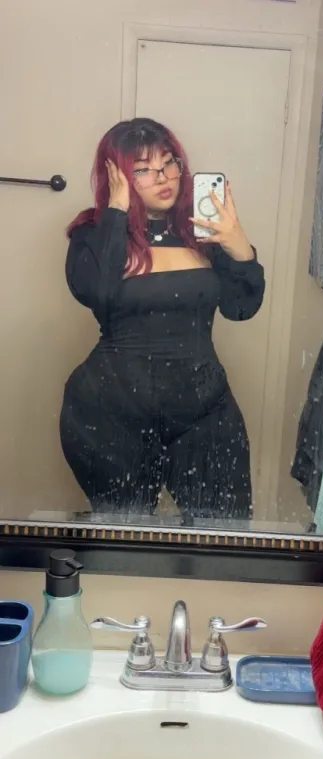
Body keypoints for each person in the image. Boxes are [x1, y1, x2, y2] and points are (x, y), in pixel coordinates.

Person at [59, 118, 265, 520]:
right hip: (111, 411)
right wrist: (116, 211)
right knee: (125, 535)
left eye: (169, 163)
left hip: (204, 410)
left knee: (226, 530)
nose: (163, 177)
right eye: (143, 169)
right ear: (116, 176)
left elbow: (241, 309)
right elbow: (97, 293)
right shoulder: (94, 233)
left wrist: (240, 248)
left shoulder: (202, 231)